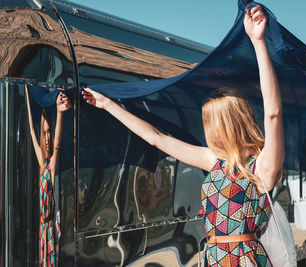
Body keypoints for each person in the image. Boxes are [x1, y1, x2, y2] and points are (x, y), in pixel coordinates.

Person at [82, 4, 283, 266]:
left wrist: (258, 42)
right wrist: (107, 105)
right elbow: (157, 138)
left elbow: (273, 114)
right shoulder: (215, 161)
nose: (207, 129)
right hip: (212, 256)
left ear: (228, 124)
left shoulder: (262, 166)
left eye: (210, 122)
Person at [25, 85, 72, 267]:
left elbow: (57, 144)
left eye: (49, 132)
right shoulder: (42, 164)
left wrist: (59, 114)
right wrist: (27, 95)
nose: (46, 137)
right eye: (44, 133)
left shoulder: (51, 165)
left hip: (50, 228)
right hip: (42, 227)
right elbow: (31, 132)